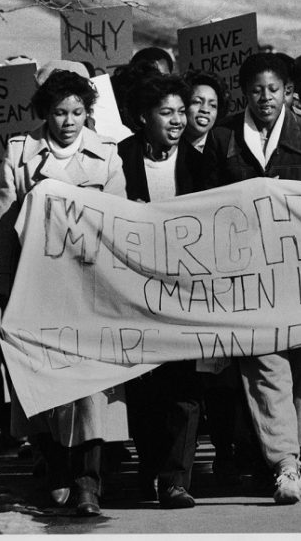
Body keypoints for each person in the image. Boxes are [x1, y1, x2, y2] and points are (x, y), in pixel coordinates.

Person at [0, 69, 127, 516]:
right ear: (44, 112)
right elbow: (3, 230)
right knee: (43, 380)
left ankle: (88, 481)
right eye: (59, 112)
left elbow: (121, 224)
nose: (68, 121)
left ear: (89, 112)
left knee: (90, 384)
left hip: (89, 287)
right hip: (37, 287)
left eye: (77, 112)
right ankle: (55, 467)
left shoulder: (107, 156)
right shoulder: (19, 154)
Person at [202, 52, 301, 504]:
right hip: (246, 278)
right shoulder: (222, 139)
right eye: (257, 90)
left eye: (274, 90)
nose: (265, 98)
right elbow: (205, 208)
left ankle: (292, 452)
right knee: (265, 366)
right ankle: (284, 462)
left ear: (288, 93)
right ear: (244, 93)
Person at [119, 74, 207, 509]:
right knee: (144, 388)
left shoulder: (201, 164)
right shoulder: (119, 159)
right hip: (134, 293)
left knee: (183, 387)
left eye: (181, 112)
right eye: (166, 113)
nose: (177, 121)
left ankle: (176, 479)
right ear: (142, 118)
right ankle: (151, 466)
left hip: (185, 290)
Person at [181, 70, 227, 152]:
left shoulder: (226, 146)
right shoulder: (168, 149)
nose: (205, 110)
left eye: (213, 105)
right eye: (197, 102)